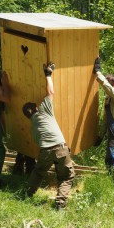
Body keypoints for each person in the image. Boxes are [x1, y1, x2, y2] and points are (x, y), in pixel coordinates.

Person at [22, 63, 75, 210]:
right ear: (35, 109)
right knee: (66, 176)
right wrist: (48, 74)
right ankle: (59, 205)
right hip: (60, 149)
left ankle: (28, 195)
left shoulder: (33, 126)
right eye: (36, 106)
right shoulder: (44, 112)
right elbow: (51, 92)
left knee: (38, 173)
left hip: (44, 152)